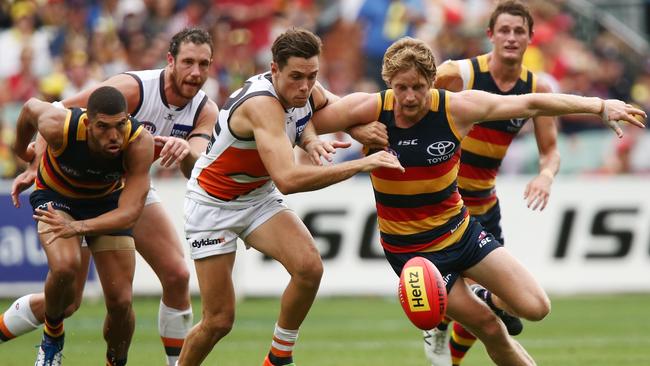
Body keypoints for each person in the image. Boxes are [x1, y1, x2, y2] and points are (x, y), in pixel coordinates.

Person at [311, 37, 645, 365]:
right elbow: (304, 124)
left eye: (418, 87)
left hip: (462, 231)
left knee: (536, 307)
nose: (410, 97)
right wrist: (355, 130)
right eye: (401, 88)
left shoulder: (456, 107)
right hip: (415, 255)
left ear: (432, 81)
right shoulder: (370, 108)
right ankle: (473, 310)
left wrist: (599, 106)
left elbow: (529, 104)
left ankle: (483, 296)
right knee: (489, 327)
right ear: (389, 84)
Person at [178, 28, 404, 366]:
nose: (305, 86)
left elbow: (331, 108)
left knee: (309, 268)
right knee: (219, 321)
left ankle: (278, 358)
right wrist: (363, 163)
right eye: (296, 76)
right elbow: (287, 179)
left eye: (312, 76)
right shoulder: (262, 104)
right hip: (213, 204)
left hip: (255, 197)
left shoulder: (303, 90)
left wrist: (342, 131)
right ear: (274, 70)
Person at [2, 28, 218, 366]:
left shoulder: (206, 111)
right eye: (188, 62)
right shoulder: (132, 89)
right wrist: (32, 163)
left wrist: (186, 151)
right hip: (71, 187)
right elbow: (57, 112)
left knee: (176, 275)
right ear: (171, 61)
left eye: (204, 64)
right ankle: (28, 333)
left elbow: (196, 169)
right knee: (68, 300)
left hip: (125, 186)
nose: (196, 73)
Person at [422, 2, 560, 365]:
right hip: (442, 206)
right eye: (505, 30)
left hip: (484, 205)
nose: (511, 38)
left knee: (490, 306)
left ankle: (448, 347)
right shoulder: (459, 74)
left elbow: (550, 150)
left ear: (531, 38)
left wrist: (545, 175)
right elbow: (406, 104)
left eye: (519, 31)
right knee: (463, 301)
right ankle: (440, 324)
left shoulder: (536, 88)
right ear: (490, 35)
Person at [11, 86, 154, 365]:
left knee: (121, 302)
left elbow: (129, 214)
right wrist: (24, 156)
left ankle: (117, 361)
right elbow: (29, 107)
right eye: (103, 127)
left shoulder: (139, 142)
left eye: (120, 125)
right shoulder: (59, 126)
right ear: (88, 123)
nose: (114, 136)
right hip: (56, 195)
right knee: (65, 266)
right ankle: (52, 336)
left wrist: (79, 227)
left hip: (106, 202)